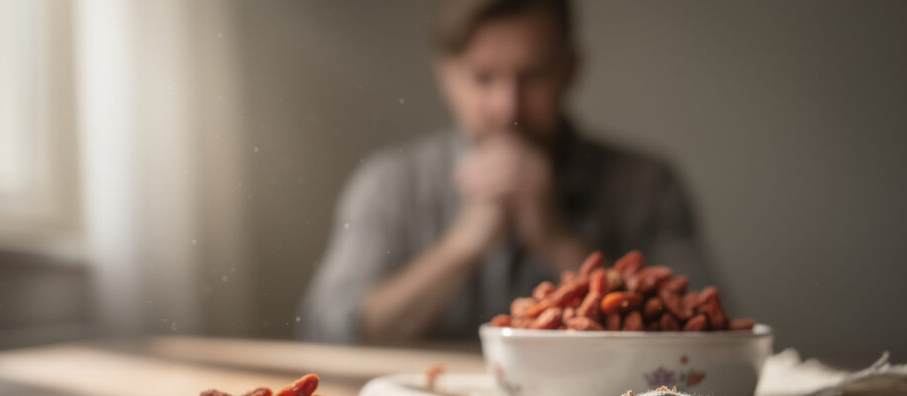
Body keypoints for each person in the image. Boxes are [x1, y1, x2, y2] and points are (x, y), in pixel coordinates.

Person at [298, 0, 711, 345]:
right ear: (445, 75)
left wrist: (555, 237)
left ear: (571, 70)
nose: (507, 107)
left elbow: (702, 332)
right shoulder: (389, 184)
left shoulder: (646, 183)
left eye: (533, 76)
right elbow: (326, 332)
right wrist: (461, 247)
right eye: (483, 78)